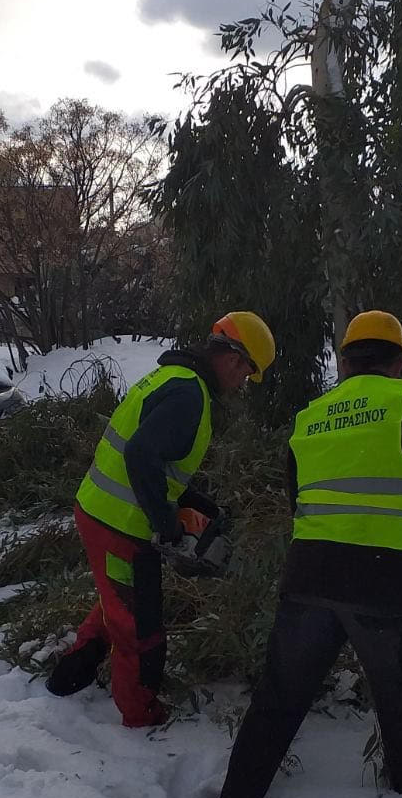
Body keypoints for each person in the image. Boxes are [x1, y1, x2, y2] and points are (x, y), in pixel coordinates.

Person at [213, 310, 402, 798]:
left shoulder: (311, 417)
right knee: (401, 704)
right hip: (387, 580)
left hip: (310, 575)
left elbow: (299, 498)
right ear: (399, 359)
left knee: (277, 700)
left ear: (346, 361)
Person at [46, 311, 276, 728]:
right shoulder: (190, 396)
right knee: (139, 624)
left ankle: (71, 672)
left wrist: (196, 503)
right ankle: (140, 714)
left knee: (117, 598)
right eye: (248, 374)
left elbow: (157, 461)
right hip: (121, 524)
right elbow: (141, 456)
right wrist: (166, 523)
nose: (243, 386)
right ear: (234, 360)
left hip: (100, 510)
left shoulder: (175, 379)